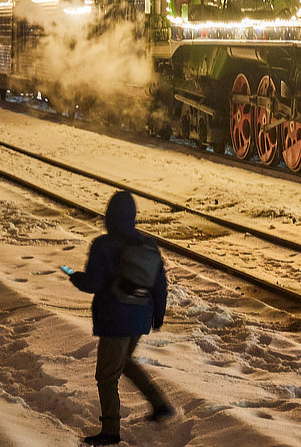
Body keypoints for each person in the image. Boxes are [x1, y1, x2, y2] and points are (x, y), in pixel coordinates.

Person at [69, 191, 173, 446]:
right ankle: (159, 404)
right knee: (124, 362)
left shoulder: (104, 245)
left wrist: (74, 277)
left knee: (106, 376)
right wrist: (157, 317)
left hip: (115, 318)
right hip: (140, 317)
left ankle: (111, 432)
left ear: (109, 216)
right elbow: (160, 285)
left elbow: (92, 283)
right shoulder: (148, 245)